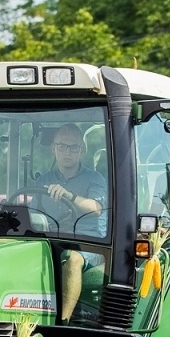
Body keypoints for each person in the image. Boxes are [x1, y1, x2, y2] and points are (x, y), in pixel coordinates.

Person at [30, 126, 107, 323]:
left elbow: (96, 207)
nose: (67, 152)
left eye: (73, 147)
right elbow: (32, 215)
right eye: (62, 146)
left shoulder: (94, 178)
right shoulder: (44, 181)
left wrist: (68, 195)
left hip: (90, 244)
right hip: (54, 240)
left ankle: (62, 323)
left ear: (83, 150)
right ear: (53, 149)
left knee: (73, 258)